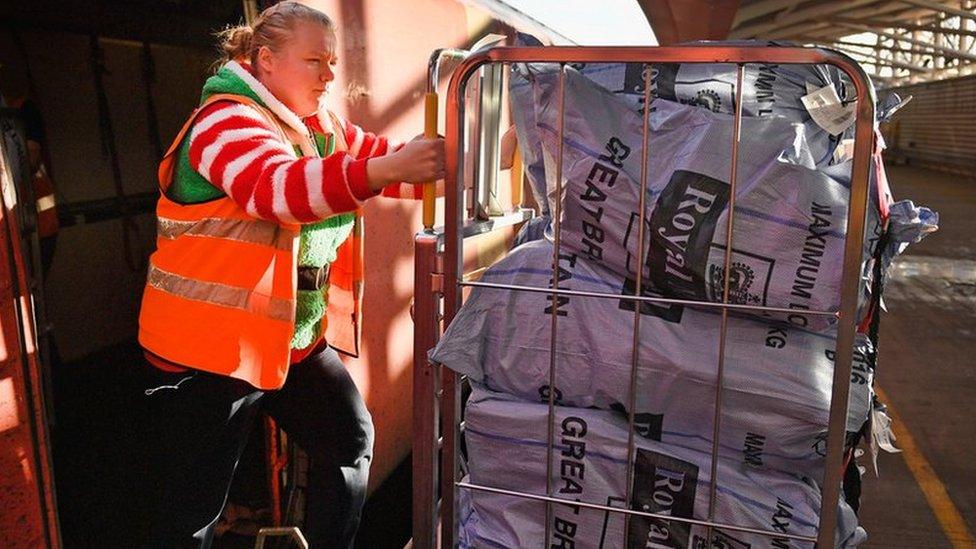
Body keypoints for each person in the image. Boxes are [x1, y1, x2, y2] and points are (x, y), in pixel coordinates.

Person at [134, 2, 444, 547]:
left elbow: (394, 167)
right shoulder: (224, 120)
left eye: (332, 62)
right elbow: (275, 190)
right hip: (209, 353)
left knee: (349, 442)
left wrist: (488, 153)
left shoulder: (320, 127)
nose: (330, 75)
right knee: (196, 509)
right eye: (315, 61)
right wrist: (386, 168)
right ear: (266, 60)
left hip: (284, 341)